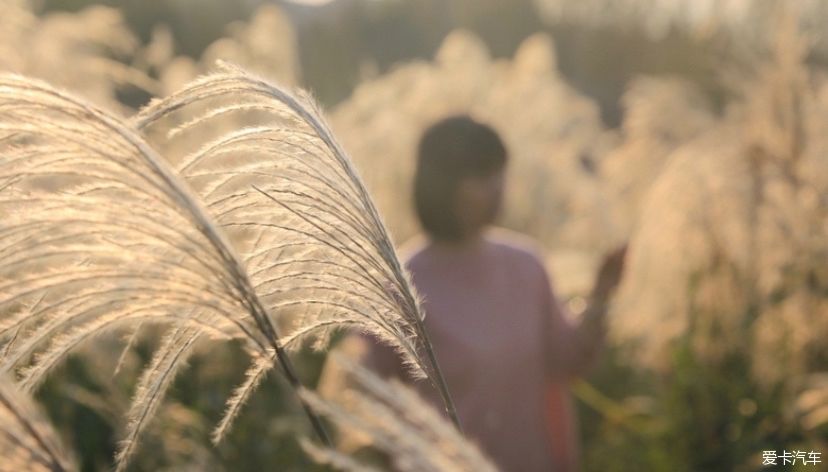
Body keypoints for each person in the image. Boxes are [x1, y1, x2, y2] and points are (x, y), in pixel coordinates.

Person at [361, 115, 626, 471]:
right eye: (482, 176)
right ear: (442, 185)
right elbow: (377, 404)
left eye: (499, 172)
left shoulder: (526, 265)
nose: (499, 186)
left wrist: (601, 295)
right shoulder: (399, 284)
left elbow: (565, 361)